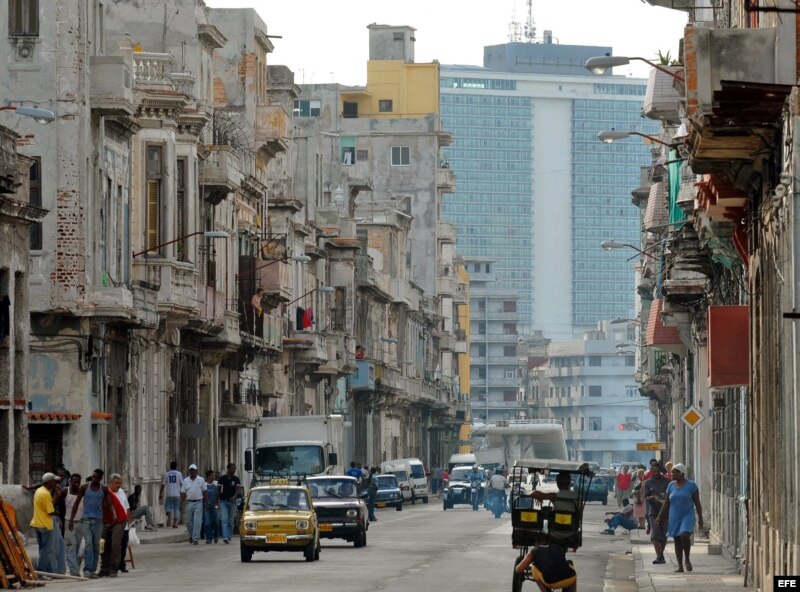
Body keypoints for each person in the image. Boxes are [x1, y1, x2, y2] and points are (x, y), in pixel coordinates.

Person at [656, 463, 703, 573]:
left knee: (684, 535)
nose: (671, 474)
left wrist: (700, 518)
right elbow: (666, 502)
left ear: (681, 473)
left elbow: (697, 503)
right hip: (674, 516)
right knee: (677, 540)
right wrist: (659, 516)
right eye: (671, 472)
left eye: (674, 472)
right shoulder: (671, 485)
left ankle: (687, 559)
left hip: (687, 515)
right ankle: (680, 566)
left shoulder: (691, 485)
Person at [69, 468, 108, 579]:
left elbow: (107, 505)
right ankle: (87, 570)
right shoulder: (84, 487)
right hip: (86, 520)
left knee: (96, 545)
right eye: (93, 476)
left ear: (100, 478)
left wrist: (109, 518)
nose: (94, 479)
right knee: (89, 543)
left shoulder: (103, 489)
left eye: (97, 477)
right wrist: (71, 519)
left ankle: (92, 570)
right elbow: (76, 504)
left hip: (98, 521)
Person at [98, 474, 129, 578]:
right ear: (110, 483)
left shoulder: (113, 493)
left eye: (119, 483)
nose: (118, 485)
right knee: (103, 544)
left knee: (115, 544)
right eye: (116, 483)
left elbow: (116, 510)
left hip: (119, 519)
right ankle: (104, 567)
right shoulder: (102, 492)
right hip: (107, 521)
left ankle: (113, 569)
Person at [30, 472, 59, 574]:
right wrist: (57, 512)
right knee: (47, 550)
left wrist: (56, 495)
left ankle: (46, 571)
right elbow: (50, 511)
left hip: (37, 523)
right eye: (54, 481)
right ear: (49, 482)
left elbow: (48, 505)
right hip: (45, 525)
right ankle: (41, 571)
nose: (56, 483)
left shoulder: (39, 491)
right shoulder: (46, 493)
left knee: (42, 549)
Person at [644, 462, 669, 564]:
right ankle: (659, 556)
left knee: (664, 534)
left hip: (665, 511)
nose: (656, 473)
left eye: (657, 471)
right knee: (655, 533)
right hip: (653, 511)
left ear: (661, 470)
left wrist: (663, 497)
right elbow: (645, 497)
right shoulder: (648, 482)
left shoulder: (668, 482)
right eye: (653, 471)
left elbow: (671, 496)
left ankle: (661, 554)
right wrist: (651, 497)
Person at [61, 473, 84, 576]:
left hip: (81, 522)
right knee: (71, 547)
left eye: (78, 482)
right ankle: (74, 571)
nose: (77, 484)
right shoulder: (66, 491)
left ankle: (75, 568)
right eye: (75, 482)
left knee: (79, 549)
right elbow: (58, 503)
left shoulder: (82, 492)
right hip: (69, 522)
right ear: (70, 481)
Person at [180, 464, 207, 545]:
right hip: (189, 502)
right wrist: (180, 503)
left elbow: (205, 491)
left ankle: (195, 538)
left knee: (197, 521)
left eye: (193, 470)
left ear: (196, 471)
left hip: (199, 501)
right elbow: (183, 493)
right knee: (189, 522)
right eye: (191, 470)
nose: (192, 472)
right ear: (189, 471)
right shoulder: (185, 481)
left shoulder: (201, 479)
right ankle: (191, 535)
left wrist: (206, 501)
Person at [217, 463, 243, 544]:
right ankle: (225, 537)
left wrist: (234, 496)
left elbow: (238, 489)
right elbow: (218, 489)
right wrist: (217, 500)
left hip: (233, 502)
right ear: (228, 469)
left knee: (231, 521)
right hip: (223, 501)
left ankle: (229, 536)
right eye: (232, 468)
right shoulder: (222, 479)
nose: (234, 470)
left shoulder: (236, 479)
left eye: (235, 469)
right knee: (224, 519)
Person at [160, 461, 183, 528]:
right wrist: (183, 493)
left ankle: (169, 517)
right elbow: (182, 483)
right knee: (176, 508)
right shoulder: (179, 474)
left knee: (168, 507)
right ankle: (175, 523)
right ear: (176, 466)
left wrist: (160, 493)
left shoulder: (166, 474)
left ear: (170, 466)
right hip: (177, 494)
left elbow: (163, 484)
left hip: (169, 494)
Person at [204, 470, 220, 544]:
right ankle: (209, 538)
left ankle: (216, 536)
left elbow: (219, 493)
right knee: (207, 522)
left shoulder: (216, 484)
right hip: (207, 506)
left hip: (215, 505)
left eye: (214, 476)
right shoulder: (204, 485)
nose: (214, 477)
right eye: (212, 476)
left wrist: (217, 503)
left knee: (216, 521)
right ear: (208, 476)